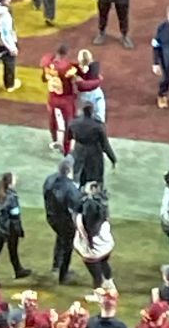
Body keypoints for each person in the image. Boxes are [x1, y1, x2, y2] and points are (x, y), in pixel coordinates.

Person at [0, 173, 31, 289]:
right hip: (10, 228)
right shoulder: (11, 197)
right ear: (10, 183)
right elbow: (15, 215)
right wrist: (19, 229)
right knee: (9, 249)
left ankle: (17, 270)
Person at [43, 156, 82, 284]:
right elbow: (77, 204)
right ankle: (63, 275)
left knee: (60, 237)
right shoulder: (69, 187)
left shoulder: (49, 179)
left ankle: (56, 264)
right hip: (63, 219)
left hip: (51, 216)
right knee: (67, 245)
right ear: (69, 170)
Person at [40, 44, 78, 153]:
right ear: (65, 54)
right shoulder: (67, 67)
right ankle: (67, 148)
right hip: (65, 98)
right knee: (69, 122)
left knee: (52, 120)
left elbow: (43, 78)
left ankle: (55, 140)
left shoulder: (46, 61)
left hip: (52, 96)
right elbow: (74, 80)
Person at [67, 101, 116, 185]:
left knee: (78, 177)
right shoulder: (97, 125)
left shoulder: (74, 123)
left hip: (79, 151)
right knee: (95, 181)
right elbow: (105, 145)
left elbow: (68, 137)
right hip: (94, 154)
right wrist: (112, 158)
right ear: (92, 111)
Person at [73, 188, 114, 286]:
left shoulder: (81, 222)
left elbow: (75, 213)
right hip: (106, 247)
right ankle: (110, 285)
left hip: (91, 252)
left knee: (96, 276)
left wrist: (85, 198)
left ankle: (99, 291)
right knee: (104, 264)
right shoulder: (103, 220)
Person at [75, 49, 105, 122]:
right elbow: (84, 85)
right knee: (99, 118)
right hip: (95, 93)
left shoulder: (76, 69)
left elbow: (82, 85)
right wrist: (98, 81)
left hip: (83, 96)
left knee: (82, 118)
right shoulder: (95, 66)